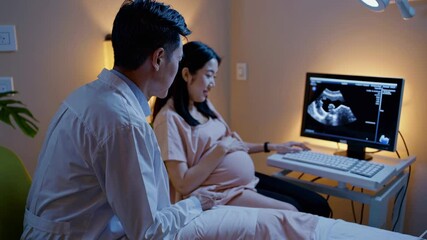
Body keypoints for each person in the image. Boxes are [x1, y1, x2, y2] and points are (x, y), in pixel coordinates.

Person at [21, 1, 319, 239]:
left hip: (75, 227)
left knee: (290, 218)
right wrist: (197, 202)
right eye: (179, 60)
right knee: (283, 223)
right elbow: (149, 232)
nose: (179, 69)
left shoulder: (87, 97)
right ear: (159, 58)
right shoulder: (124, 123)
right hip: (82, 233)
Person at [152, 41, 331, 217]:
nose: (213, 83)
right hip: (220, 192)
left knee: (316, 203)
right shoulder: (169, 120)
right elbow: (183, 183)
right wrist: (222, 149)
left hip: (242, 182)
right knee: (294, 211)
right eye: (209, 75)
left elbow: (234, 144)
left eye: (215, 77)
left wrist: (272, 146)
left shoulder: (202, 105)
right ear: (186, 75)